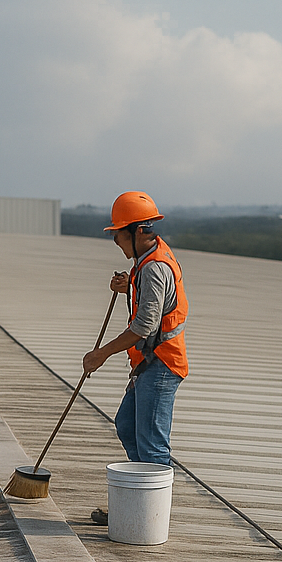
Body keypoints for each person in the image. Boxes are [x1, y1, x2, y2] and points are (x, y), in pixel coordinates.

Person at [82, 191, 189, 525]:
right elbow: (151, 301)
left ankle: (149, 520)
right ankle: (137, 503)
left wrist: (101, 354)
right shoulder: (146, 261)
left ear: (140, 230)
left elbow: (144, 326)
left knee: (153, 447)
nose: (116, 240)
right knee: (127, 426)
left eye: (119, 233)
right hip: (148, 364)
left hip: (161, 364)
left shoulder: (155, 268)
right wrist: (128, 285)